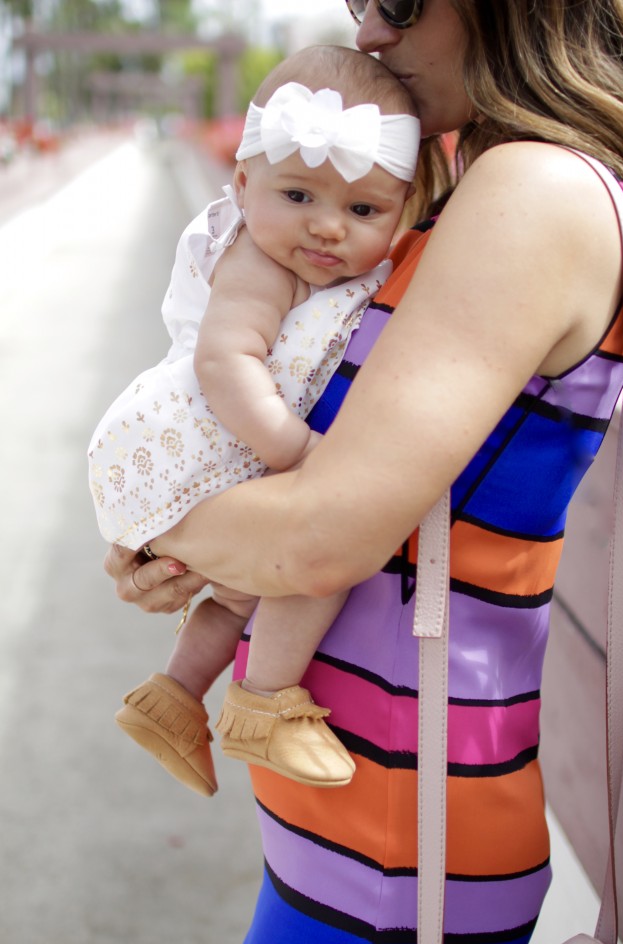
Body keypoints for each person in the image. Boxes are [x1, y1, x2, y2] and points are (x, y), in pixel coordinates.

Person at [103, 1, 623, 944]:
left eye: (397, 0)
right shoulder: (481, 186)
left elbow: (322, 532)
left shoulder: (533, 190)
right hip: (370, 824)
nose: (367, 30)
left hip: (392, 846)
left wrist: (152, 505)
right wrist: (181, 533)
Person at [88, 45, 420, 797]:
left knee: (241, 594)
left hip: (209, 449)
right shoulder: (257, 262)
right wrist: (299, 452)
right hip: (187, 441)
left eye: (363, 210)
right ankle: (264, 703)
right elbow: (225, 363)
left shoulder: (308, 256)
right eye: (298, 196)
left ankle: (171, 698)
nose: (328, 228)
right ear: (242, 184)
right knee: (318, 552)